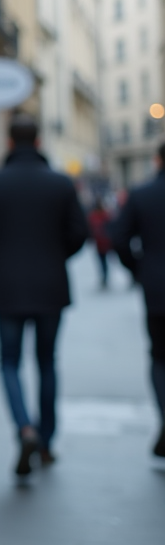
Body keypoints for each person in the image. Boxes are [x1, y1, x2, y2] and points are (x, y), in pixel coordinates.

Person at [0, 114, 88, 477]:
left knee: (8, 363)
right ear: (38, 142)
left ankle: (24, 427)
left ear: (8, 142)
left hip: (7, 287)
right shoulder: (61, 184)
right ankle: (46, 440)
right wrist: (54, 256)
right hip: (51, 285)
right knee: (47, 362)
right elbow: (78, 234)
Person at [109, 141, 165, 459]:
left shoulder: (142, 194)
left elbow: (119, 237)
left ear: (157, 160)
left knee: (159, 357)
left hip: (157, 288)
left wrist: (139, 269)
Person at [87, 198, 113, 289]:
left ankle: (104, 278)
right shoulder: (105, 215)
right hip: (104, 242)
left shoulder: (93, 216)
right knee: (103, 262)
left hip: (100, 242)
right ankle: (105, 278)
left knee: (102, 262)